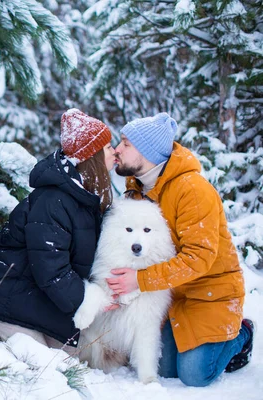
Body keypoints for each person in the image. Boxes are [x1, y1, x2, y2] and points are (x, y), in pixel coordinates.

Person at [106, 112, 255, 387]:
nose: (117, 150)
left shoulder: (192, 190)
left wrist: (138, 281)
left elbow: (198, 259)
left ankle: (241, 335)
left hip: (210, 294)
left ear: (147, 152)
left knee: (195, 374)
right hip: (171, 296)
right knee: (163, 368)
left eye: (125, 143)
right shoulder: (136, 192)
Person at [0, 109, 117, 350]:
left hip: (34, 291)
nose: (115, 152)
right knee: (42, 359)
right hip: (7, 289)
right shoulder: (54, 201)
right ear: (93, 157)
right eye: (108, 147)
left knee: (72, 352)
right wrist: (90, 301)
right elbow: (52, 271)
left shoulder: (85, 196)